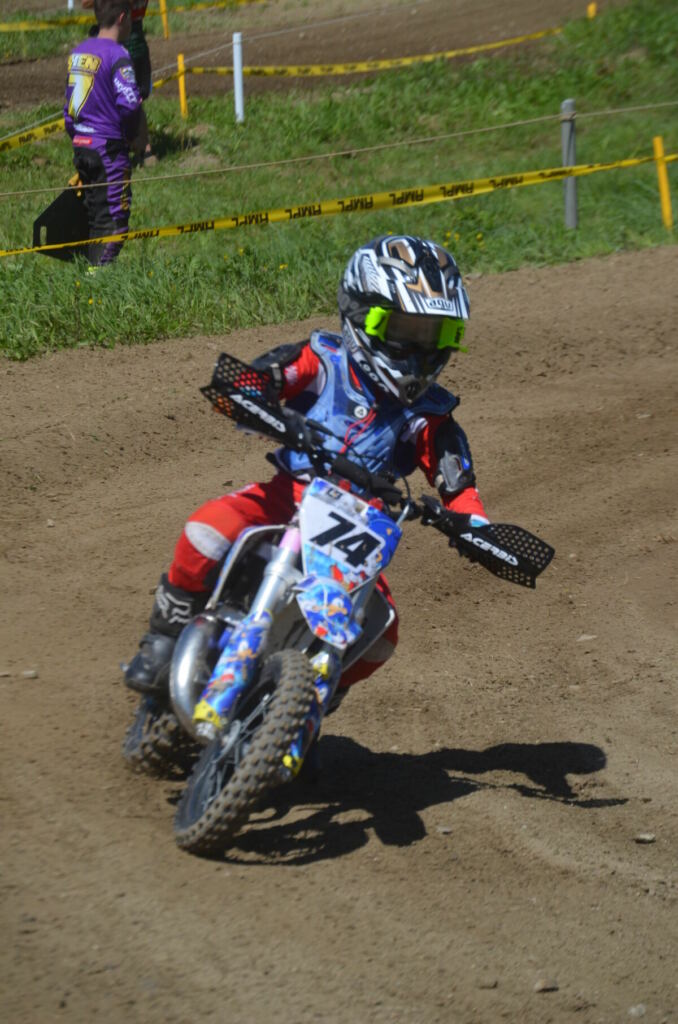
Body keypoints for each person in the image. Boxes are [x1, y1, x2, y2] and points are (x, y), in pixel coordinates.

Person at [124, 235, 490, 748]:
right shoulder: (324, 361)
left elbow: (458, 483)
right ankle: (163, 638)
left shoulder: (429, 413)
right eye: (407, 330)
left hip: (358, 532)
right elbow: (258, 380)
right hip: (288, 499)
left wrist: (475, 527)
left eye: (437, 334)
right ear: (362, 315)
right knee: (208, 529)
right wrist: (261, 400)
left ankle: (312, 697)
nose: (420, 348)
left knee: (382, 635)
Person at [64, 0, 145, 265]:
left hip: (82, 144)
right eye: (131, 18)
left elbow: (69, 107)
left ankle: (91, 273)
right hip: (108, 149)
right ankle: (97, 276)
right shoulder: (118, 55)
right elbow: (130, 104)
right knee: (114, 222)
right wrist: (132, 137)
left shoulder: (78, 53)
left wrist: (77, 137)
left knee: (94, 215)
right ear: (122, 18)